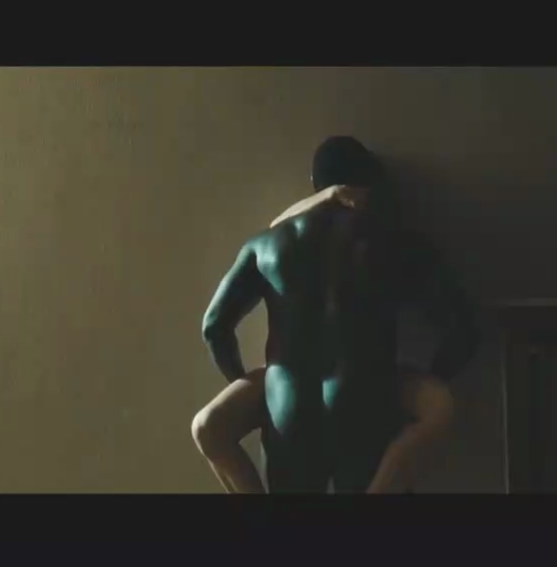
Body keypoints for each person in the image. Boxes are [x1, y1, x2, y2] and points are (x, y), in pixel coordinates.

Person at [198, 137, 480, 493]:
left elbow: (214, 327)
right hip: (365, 402)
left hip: (287, 407)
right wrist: (419, 385)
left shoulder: (264, 245)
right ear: (372, 184)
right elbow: (464, 329)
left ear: (315, 185)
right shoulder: (397, 243)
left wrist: (253, 391)